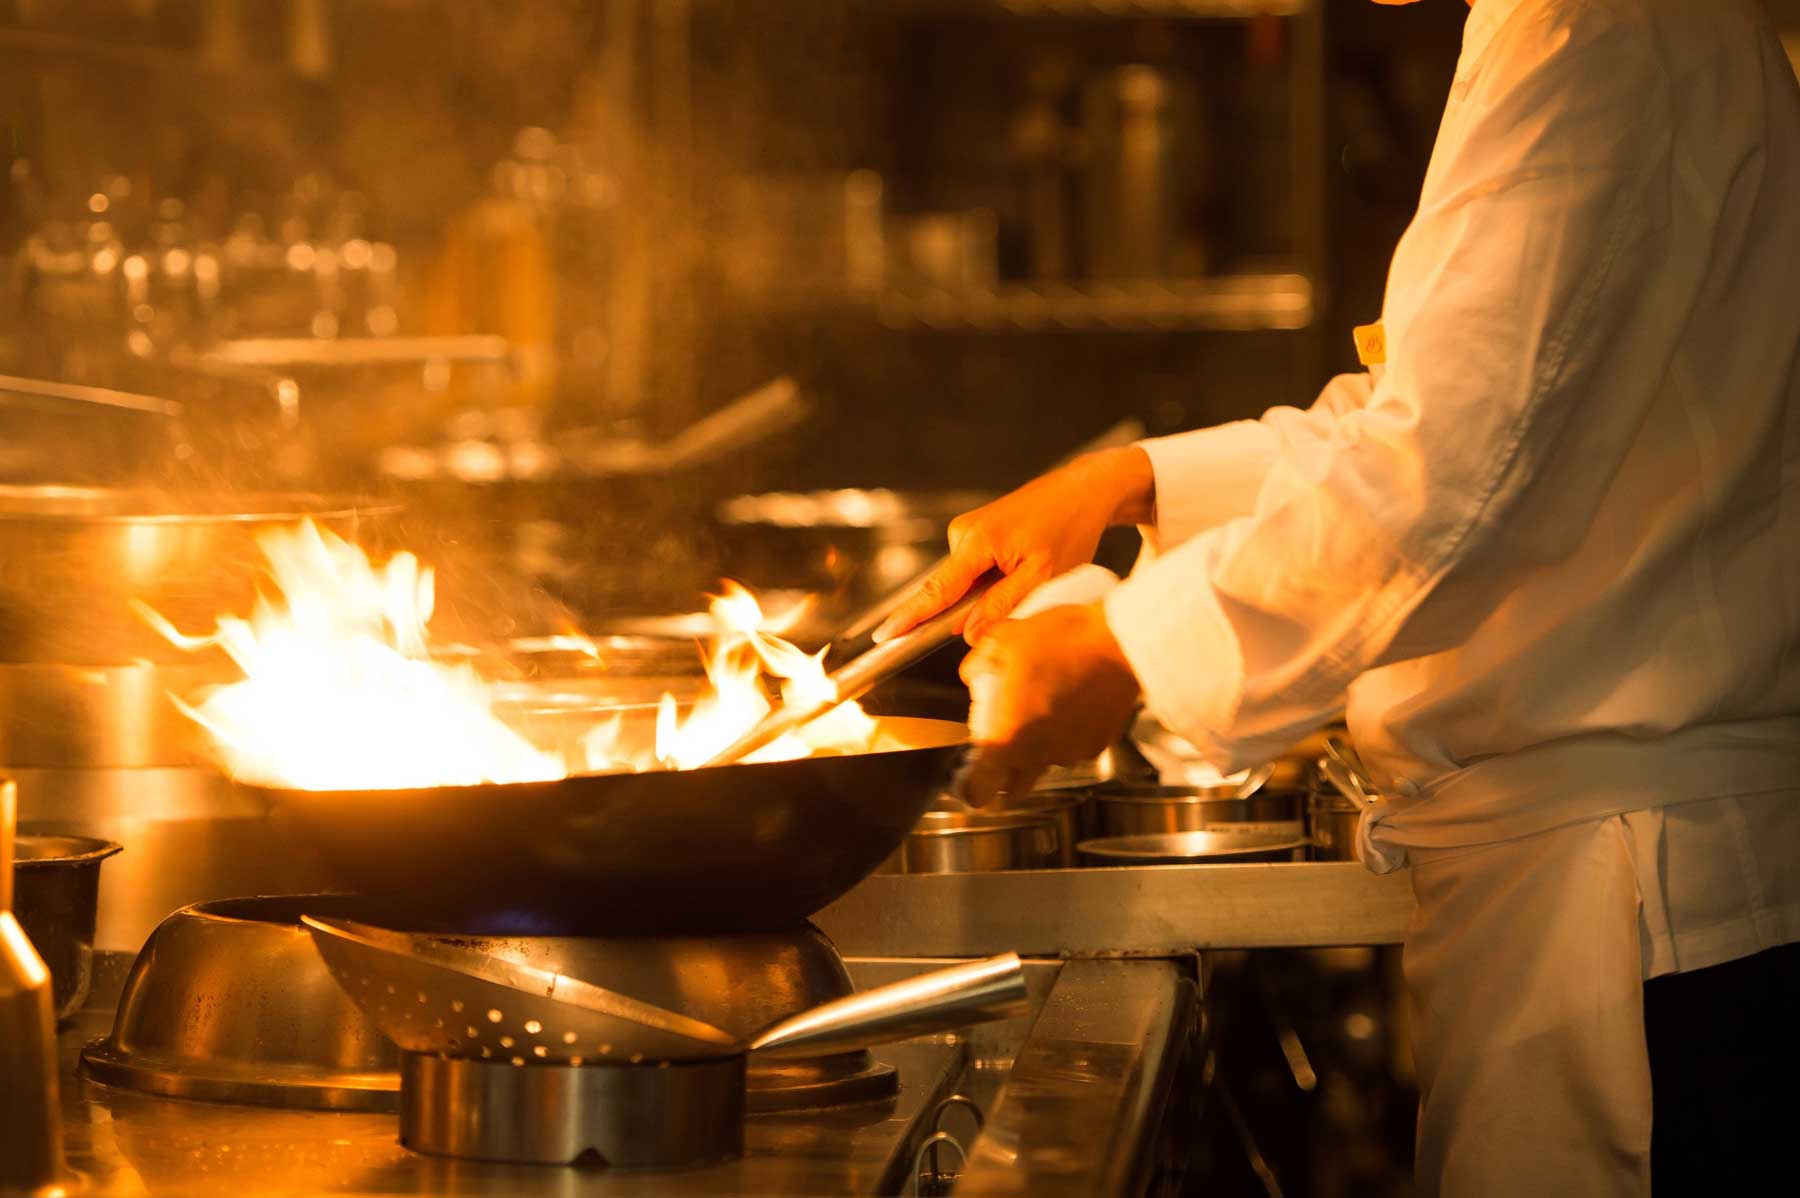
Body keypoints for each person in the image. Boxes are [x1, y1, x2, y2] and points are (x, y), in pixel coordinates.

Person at [874, 0, 1800, 1193]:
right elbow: (1435, 417)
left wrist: (1121, 647)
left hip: (1633, 917)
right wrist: (1129, 482)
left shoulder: (1594, 30)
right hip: (1612, 887)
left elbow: (1451, 475)